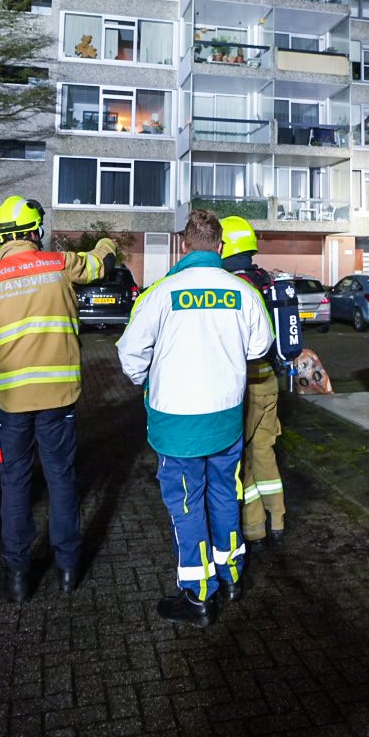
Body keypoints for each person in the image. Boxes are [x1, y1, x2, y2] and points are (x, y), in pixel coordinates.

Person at [117, 210, 273, 627]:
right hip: (225, 416)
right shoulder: (242, 292)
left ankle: (199, 595)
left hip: (177, 421)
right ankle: (232, 576)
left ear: (184, 245)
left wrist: (146, 381)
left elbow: (130, 354)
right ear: (220, 247)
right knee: (226, 494)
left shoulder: (160, 293)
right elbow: (260, 347)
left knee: (186, 505)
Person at [0, 195, 116, 602]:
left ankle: (17, 575)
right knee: (62, 479)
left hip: (10, 402)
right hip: (58, 398)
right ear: (34, 231)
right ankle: (68, 568)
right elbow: (99, 265)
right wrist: (107, 244)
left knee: (14, 485)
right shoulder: (57, 265)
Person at [217, 215, 288, 551]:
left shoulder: (232, 286)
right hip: (270, 382)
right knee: (265, 451)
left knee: (241, 458)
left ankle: (254, 529)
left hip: (244, 387)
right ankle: (278, 520)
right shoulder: (265, 280)